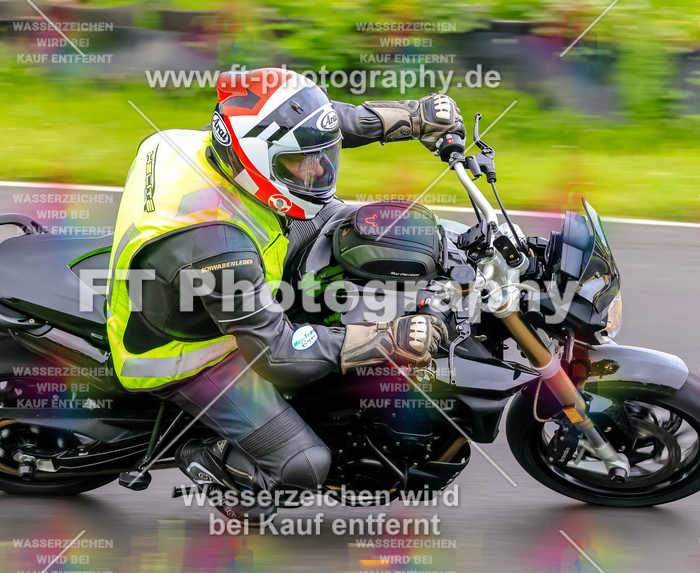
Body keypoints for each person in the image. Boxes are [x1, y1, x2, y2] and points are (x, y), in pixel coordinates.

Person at [106, 67, 463, 520]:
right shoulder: (215, 244)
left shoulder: (214, 145)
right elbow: (275, 355)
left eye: (322, 157)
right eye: (302, 164)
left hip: (219, 277)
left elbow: (325, 122)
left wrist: (412, 117)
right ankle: (212, 462)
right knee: (303, 467)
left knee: (360, 230)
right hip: (192, 351)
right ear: (257, 164)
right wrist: (390, 338)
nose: (319, 169)